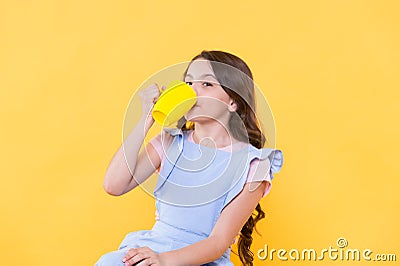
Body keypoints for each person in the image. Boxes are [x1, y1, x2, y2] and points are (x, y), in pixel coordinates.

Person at [95, 50, 283, 266]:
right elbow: (113, 185)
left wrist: (163, 260)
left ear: (233, 102)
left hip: (197, 259)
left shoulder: (255, 164)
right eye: (189, 83)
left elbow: (218, 242)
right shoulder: (170, 141)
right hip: (153, 249)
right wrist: (147, 119)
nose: (193, 91)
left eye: (207, 84)